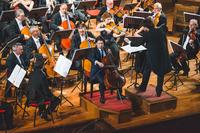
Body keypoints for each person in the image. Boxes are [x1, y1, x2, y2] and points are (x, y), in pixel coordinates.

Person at [134, 17, 171, 97]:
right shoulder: (160, 30)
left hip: (152, 56)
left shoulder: (148, 34)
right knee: (160, 73)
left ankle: (143, 87)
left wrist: (129, 43)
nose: (143, 29)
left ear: (146, 27)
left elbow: (139, 43)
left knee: (147, 70)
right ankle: (158, 91)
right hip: (162, 54)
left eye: (144, 28)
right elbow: (165, 41)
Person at [89, 36, 126, 104]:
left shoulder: (106, 49)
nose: (101, 45)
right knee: (102, 81)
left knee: (118, 78)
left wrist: (111, 54)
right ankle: (102, 97)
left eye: (102, 43)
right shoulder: (93, 50)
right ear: (96, 43)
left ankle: (119, 95)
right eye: (99, 43)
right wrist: (97, 62)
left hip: (108, 69)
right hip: (97, 71)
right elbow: (91, 58)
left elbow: (113, 60)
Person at [26, 53, 60, 121]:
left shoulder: (32, 73)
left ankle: (41, 110)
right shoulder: (42, 75)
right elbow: (46, 91)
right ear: (42, 65)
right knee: (56, 100)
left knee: (41, 92)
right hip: (37, 99)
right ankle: (45, 113)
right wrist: (51, 93)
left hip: (30, 97)